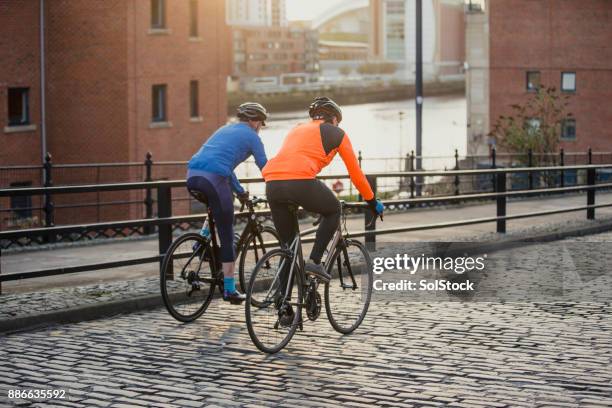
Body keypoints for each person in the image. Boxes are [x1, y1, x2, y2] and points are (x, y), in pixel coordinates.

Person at [262, 96, 384, 283]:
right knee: (334, 208)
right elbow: (356, 174)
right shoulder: (337, 133)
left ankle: (282, 304)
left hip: (272, 183)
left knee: (288, 247)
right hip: (300, 182)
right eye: (338, 121)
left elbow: (294, 160)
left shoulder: (297, 129)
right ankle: (315, 261)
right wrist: (372, 201)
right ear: (334, 119)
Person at [187, 102, 268, 304]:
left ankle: (201, 241)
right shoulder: (252, 137)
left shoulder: (225, 129)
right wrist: (280, 187)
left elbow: (224, 165)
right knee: (227, 233)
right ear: (253, 121)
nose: (260, 126)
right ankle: (230, 290)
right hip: (214, 178)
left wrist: (240, 192)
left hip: (192, 176)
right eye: (260, 122)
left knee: (218, 207)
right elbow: (266, 167)